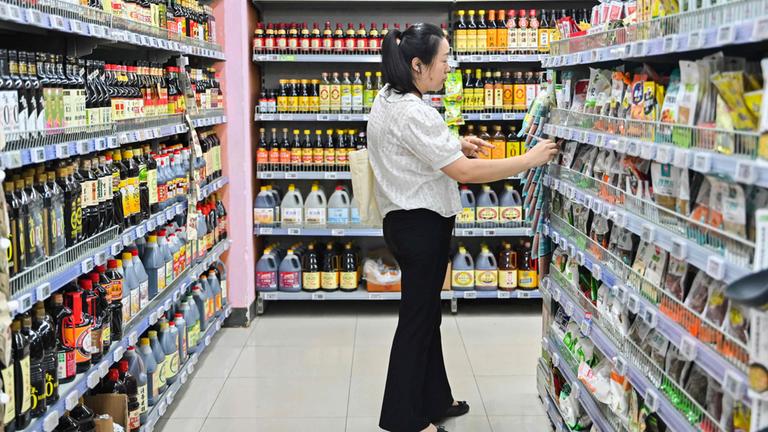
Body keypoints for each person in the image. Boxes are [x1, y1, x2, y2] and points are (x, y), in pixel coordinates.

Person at [367, 23, 558, 432]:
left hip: (404, 221)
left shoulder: (390, 98)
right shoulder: (413, 111)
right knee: (416, 320)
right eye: (443, 60)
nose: (448, 67)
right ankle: (403, 418)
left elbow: (420, 150)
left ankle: (435, 398)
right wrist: (528, 160)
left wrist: (456, 145)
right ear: (418, 65)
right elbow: (465, 173)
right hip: (420, 226)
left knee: (426, 314)